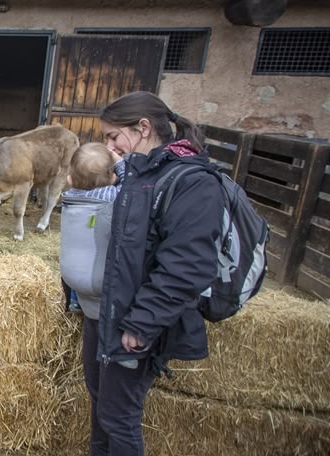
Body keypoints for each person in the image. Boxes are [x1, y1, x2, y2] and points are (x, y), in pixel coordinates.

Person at [90, 91, 224, 455]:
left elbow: (187, 265)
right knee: (102, 404)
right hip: (113, 312)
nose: (110, 145)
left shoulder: (193, 182)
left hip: (136, 321)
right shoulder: (140, 174)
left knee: (118, 416)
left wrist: (143, 322)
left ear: (143, 128)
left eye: (114, 135)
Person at [60, 143, 125, 315]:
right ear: (112, 178)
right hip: (101, 282)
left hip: (70, 276)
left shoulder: (69, 198)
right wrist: (119, 164)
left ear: (70, 180)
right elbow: (131, 186)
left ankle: (75, 303)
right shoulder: (113, 197)